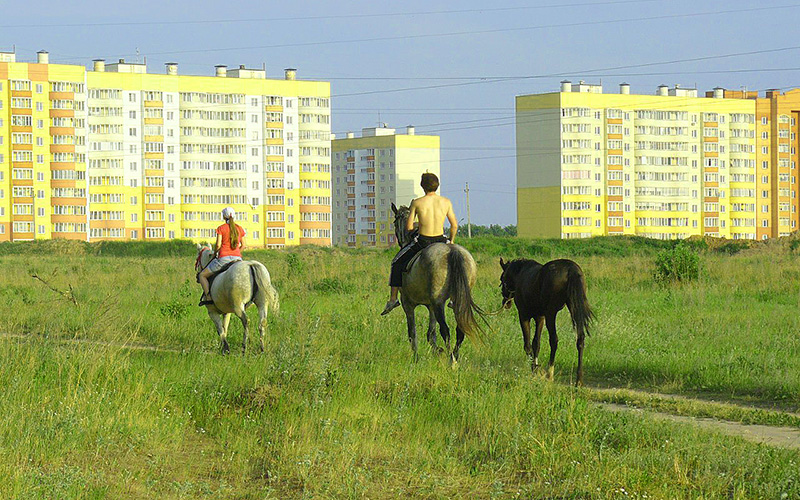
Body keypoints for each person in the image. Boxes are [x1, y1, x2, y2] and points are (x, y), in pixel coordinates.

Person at [381, 172, 458, 315]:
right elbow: (454, 225)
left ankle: (393, 299)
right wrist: (451, 241)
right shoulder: (446, 202)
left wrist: (419, 224)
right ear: (437, 185)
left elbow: (409, 227)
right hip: (441, 240)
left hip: (424, 241)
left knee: (396, 262)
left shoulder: (417, 202)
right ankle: (453, 298)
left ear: (423, 186)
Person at [197, 207, 246, 306]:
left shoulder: (221, 228)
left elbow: (218, 245)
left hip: (223, 259)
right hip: (238, 259)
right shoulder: (239, 228)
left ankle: (209, 297)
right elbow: (244, 245)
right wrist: (237, 252)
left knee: (202, 275)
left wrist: (215, 254)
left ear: (224, 216)